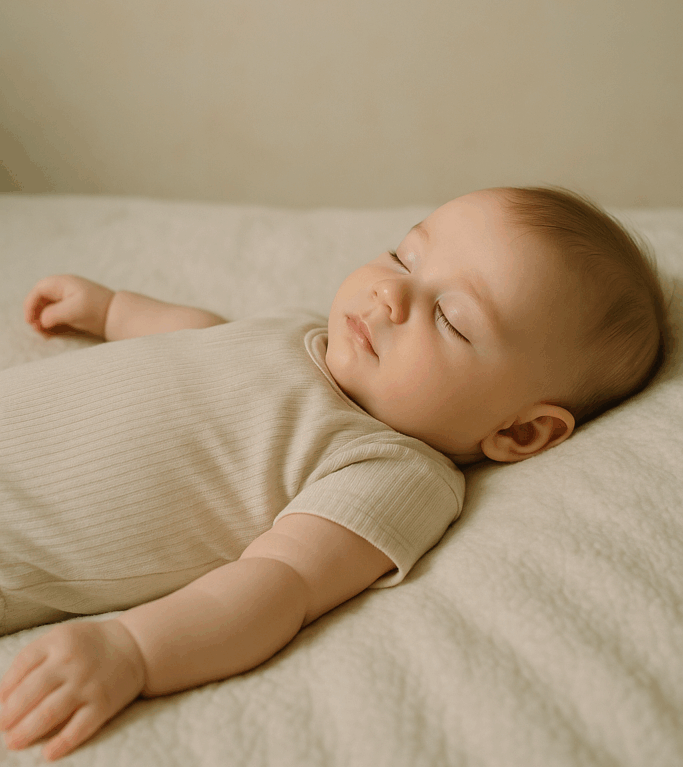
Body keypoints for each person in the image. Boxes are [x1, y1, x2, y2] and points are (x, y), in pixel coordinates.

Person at [0, 186, 670, 761]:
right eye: (404, 254)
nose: (390, 292)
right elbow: (208, 339)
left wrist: (133, 651)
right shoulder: (310, 332)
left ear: (518, 432)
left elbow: (277, 587)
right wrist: (116, 310)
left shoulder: (394, 472)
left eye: (450, 318)